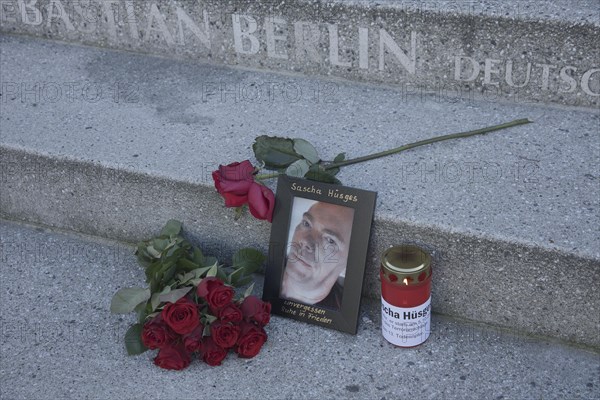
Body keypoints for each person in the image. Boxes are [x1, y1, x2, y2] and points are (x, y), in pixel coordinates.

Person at [280, 201, 354, 310]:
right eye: (307, 223)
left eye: (330, 240)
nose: (305, 241)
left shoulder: (344, 310)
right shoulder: (272, 268)